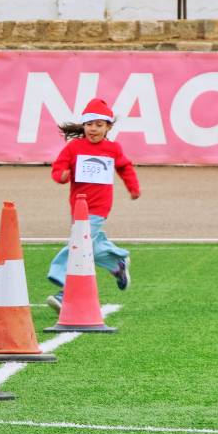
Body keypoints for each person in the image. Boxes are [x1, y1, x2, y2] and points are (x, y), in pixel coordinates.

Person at [45, 98, 140, 309]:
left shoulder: (113, 149)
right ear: (83, 125)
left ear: (108, 127)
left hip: (99, 207)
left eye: (99, 124)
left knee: (78, 245)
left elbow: (125, 168)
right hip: (78, 207)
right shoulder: (74, 147)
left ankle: (64, 288)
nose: (93, 129)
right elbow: (58, 167)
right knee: (89, 245)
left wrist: (133, 187)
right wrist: (61, 175)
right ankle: (116, 263)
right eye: (89, 124)